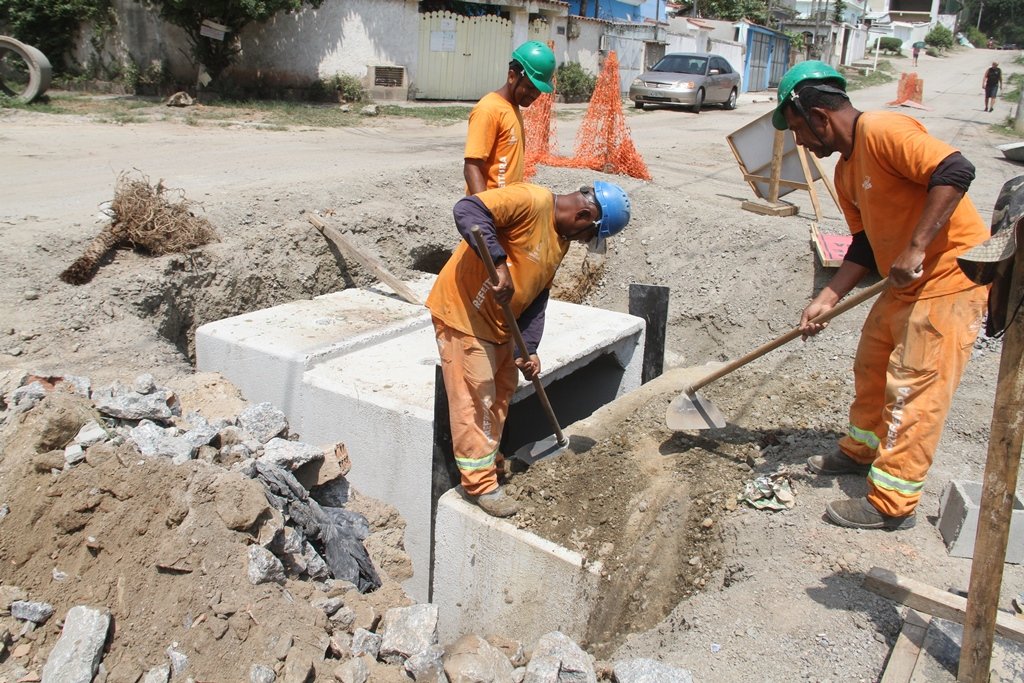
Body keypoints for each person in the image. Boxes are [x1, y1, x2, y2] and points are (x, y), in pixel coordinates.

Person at [772, 61, 989, 531]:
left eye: (798, 130)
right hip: (904, 283)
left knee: (914, 388)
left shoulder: (883, 129)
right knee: (872, 361)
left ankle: (893, 501)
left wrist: (915, 246)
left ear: (819, 117)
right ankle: (861, 450)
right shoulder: (848, 174)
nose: (801, 143)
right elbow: (865, 244)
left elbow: (955, 169)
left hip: (950, 276)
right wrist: (828, 296)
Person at [426, 181, 631, 517]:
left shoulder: (560, 241)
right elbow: (468, 211)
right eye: (587, 236)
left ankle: (488, 459)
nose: (582, 242)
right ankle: (479, 485)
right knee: (475, 398)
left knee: (504, 389)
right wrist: (499, 263)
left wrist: (529, 346)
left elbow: (538, 295)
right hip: (464, 313)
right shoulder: (530, 201)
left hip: (500, 324)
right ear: (583, 215)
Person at [463, 41, 556, 195]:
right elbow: (471, 167)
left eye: (539, 90)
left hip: (506, 210)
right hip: (489, 212)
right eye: (530, 87)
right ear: (512, 76)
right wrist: (484, 214)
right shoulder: (489, 109)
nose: (534, 95)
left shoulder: (512, 108)